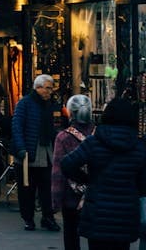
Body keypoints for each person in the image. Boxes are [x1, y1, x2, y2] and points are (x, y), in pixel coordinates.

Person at [61, 98, 146, 250]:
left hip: (97, 212)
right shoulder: (139, 147)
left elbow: (66, 164)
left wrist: (86, 179)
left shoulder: (94, 142)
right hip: (125, 214)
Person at [12, 74, 61, 232]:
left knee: (47, 188)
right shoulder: (25, 103)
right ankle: (28, 218)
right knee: (27, 189)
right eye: (47, 88)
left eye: (51, 88)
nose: (49, 91)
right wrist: (20, 148)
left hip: (46, 152)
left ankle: (48, 217)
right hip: (29, 152)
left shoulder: (49, 104)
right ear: (38, 88)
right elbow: (17, 126)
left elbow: (53, 129)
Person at [52, 94, 95, 250]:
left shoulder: (63, 137)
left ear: (70, 112)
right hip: (94, 194)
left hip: (71, 197)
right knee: (95, 237)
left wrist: (56, 200)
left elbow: (58, 173)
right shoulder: (99, 134)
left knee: (71, 236)